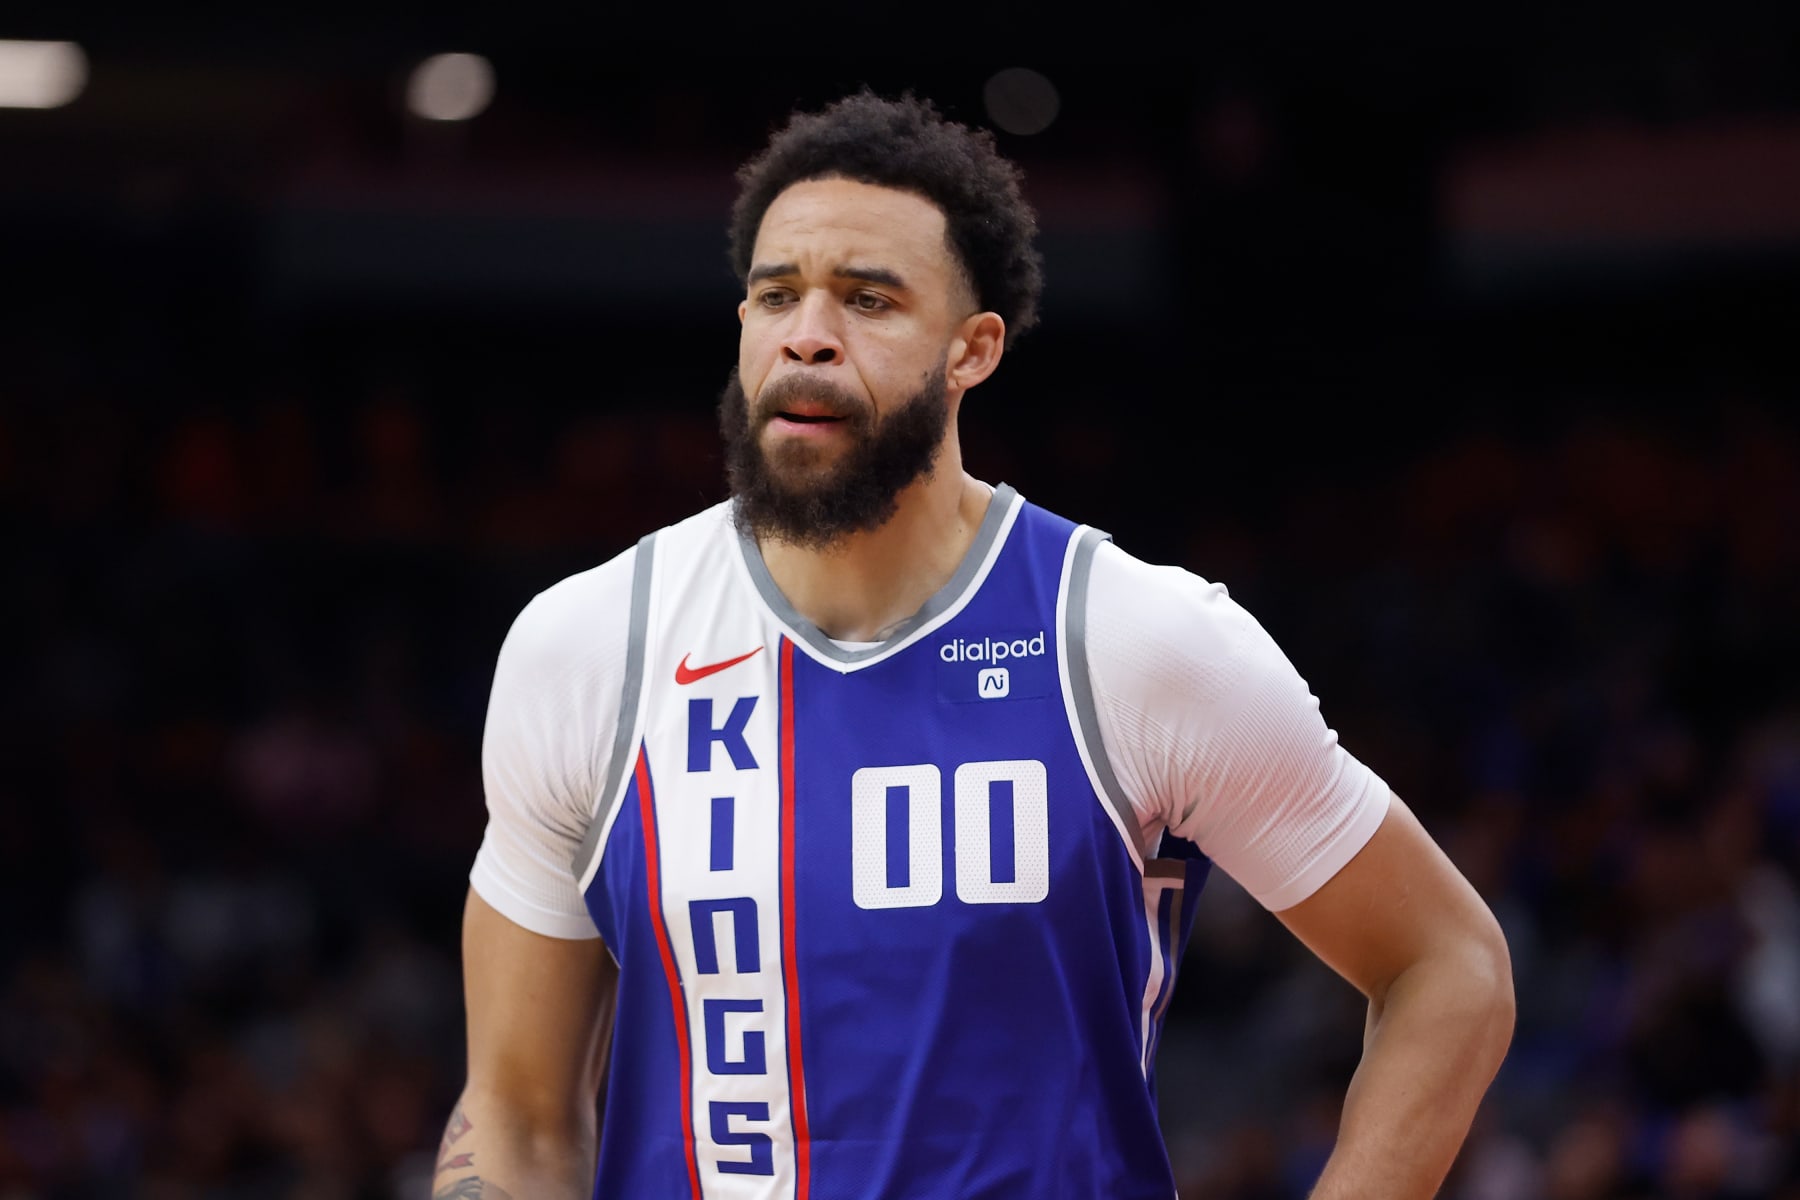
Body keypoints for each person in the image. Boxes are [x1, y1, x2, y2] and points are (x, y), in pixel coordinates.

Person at [435, 91, 1514, 1200]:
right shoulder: (588, 646)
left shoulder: (1134, 641)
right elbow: (515, 1110)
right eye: (776, 295)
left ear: (973, 350)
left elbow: (1450, 965)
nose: (809, 333)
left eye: (867, 299)